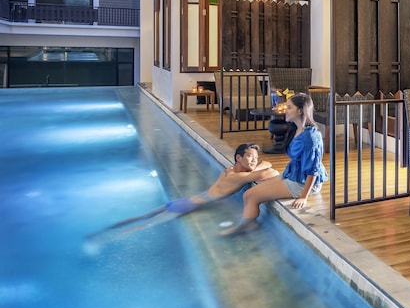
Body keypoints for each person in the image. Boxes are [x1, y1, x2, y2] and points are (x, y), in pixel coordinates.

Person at [86, 143, 279, 241]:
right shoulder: (238, 177)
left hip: (186, 200)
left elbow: (264, 165)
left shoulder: (229, 170)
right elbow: (269, 170)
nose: (254, 161)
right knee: (146, 225)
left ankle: (104, 231)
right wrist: (258, 167)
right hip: (187, 206)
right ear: (239, 157)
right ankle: (105, 239)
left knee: (144, 216)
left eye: (256, 157)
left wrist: (255, 165)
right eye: (250, 157)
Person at [220, 93, 328, 235]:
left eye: (289, 107)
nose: (285, 110)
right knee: (248, 194)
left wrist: (303, 197)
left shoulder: (310, 137)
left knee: (253, 196)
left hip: (303, 182)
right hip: (293, 174)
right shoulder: (295, 128)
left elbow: (313, 169)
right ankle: (250, 223)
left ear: (300, 111)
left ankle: (245, 226)